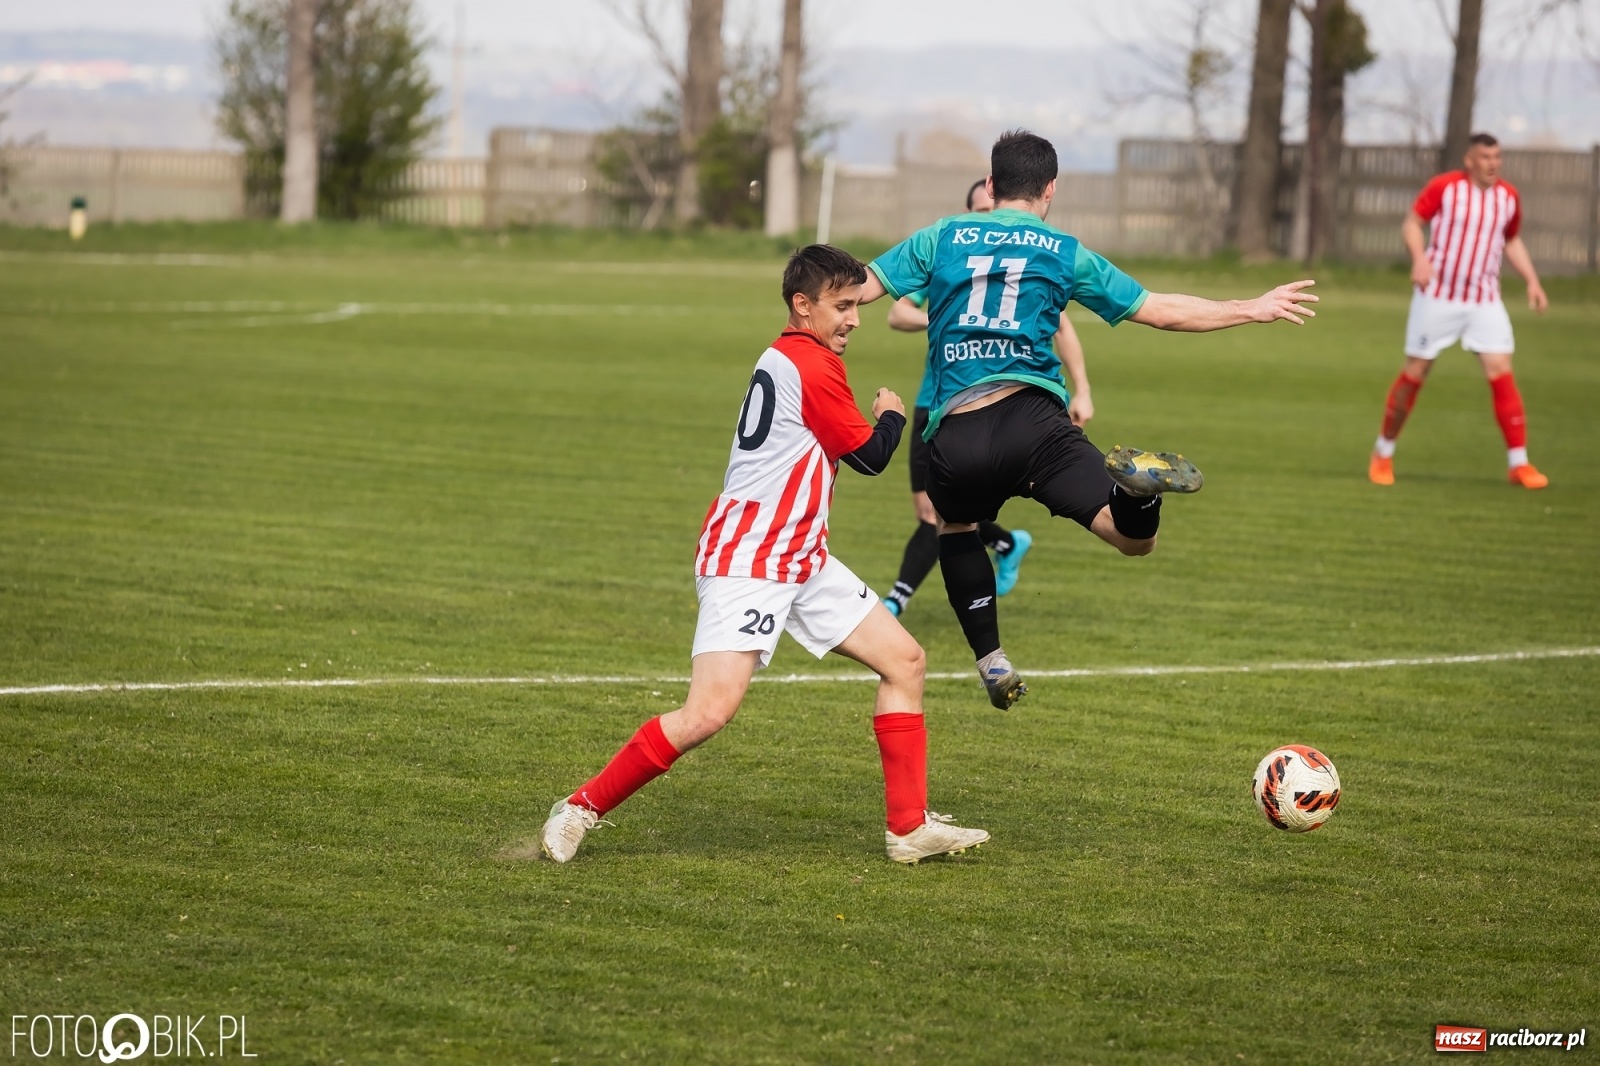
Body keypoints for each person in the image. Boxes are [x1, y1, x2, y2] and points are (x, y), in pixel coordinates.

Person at [541, 245, 989, 865]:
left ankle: (908, 829)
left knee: (905, 661)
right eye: (842, 306)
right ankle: (580, 808)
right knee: (708, 713)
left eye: (857, 304)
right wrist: (891, 416)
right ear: (801, 306)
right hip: (749, 558)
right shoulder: (809, 363)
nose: (855, 318)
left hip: (801, 555)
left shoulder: (792, 354)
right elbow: (870, 457)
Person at [858, 130, 1317, 710]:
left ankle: (991, 659)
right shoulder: (1064, 251)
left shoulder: (941, 236)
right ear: (1050, 190)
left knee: (956, 527)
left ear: (992, 185)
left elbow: (862, 288)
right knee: (1130, 538)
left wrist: (813, 308)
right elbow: (1159, 310)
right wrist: (1247, 307)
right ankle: (1139, 493)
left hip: (958, 431)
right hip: (1035, 423)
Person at [881, 178, 1095, 616]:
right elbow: (896, 311)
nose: (988, 222)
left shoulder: (1028, 270)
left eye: (990, 211)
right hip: (936, 402)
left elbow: (1063, 328)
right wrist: (942, 318)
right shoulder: (954, 262)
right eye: (978, 214)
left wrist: (1083, 390)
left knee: (936, 511)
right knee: (934, 506)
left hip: (1001, 408)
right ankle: (1006, 542)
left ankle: (896, 600)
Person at [1367, 132, 1551, 489]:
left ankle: (1519, 464)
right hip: (1437, 296)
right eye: (1485, 157)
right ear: (1470, 160)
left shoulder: (1508, 197)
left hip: (1483, 299)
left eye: (1497, 156)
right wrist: (1420, 260)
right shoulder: (1445, 187)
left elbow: (1511, 240)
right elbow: (1411, 223)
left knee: (1501, 371)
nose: (1492, 163)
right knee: (1416, 371)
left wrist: (1532, 281)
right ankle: (1383, 452)